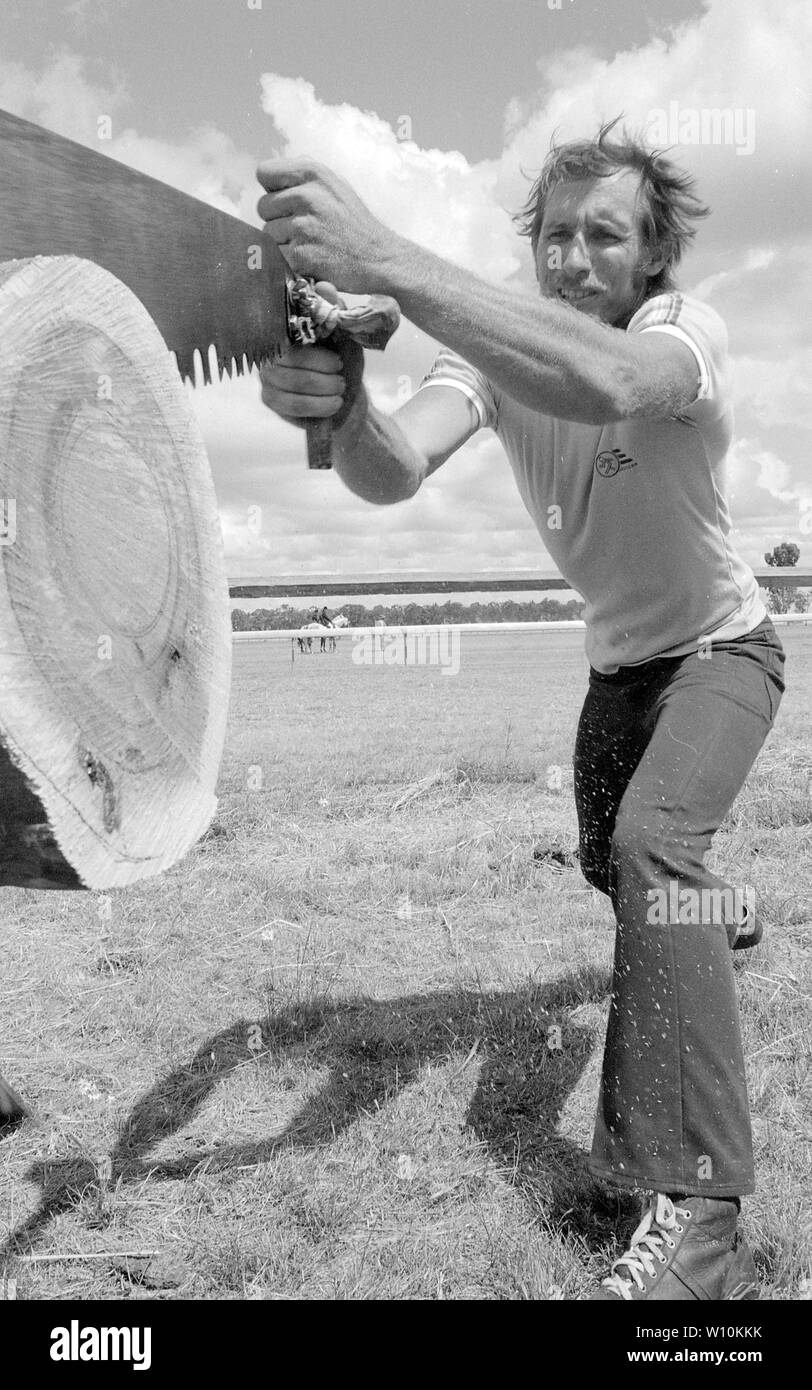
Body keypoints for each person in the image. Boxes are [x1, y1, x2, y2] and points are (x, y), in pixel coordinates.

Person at [256, 119, 785, 1301]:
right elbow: (393, 473)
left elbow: (605, 380)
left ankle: (701, 1216)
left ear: (650, 259)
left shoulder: (674, 336)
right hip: (615, 674)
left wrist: (388, 261)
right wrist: (340, 409)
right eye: (552, 236)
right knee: (619, 866)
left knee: (654, 852)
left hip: (720, 652)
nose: (572, 257)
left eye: (604, 235)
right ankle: (716, 912)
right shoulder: (491, 355)